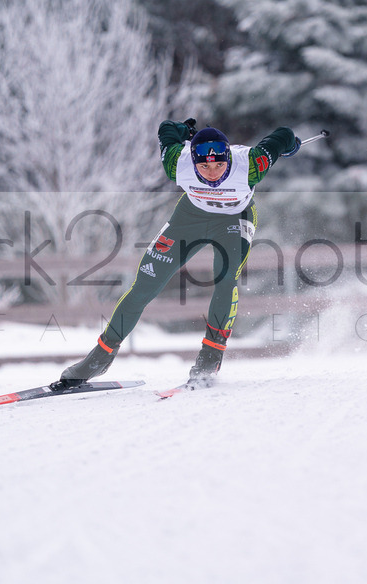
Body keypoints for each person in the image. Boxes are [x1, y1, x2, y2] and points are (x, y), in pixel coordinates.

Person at [52, 117, 301, 390]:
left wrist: (290, 145)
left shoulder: (251, 164)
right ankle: (99, 358)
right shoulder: (176, 162)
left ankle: (210, 357)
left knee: (225, 278)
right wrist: (184, 130)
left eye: (219, 164)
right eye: (204, 166)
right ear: (192, 161)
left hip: (234, 218)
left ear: (229, 158)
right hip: (190, 217)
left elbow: (282, 134)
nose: (213, 172)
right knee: (144, 285)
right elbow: (166, 128)